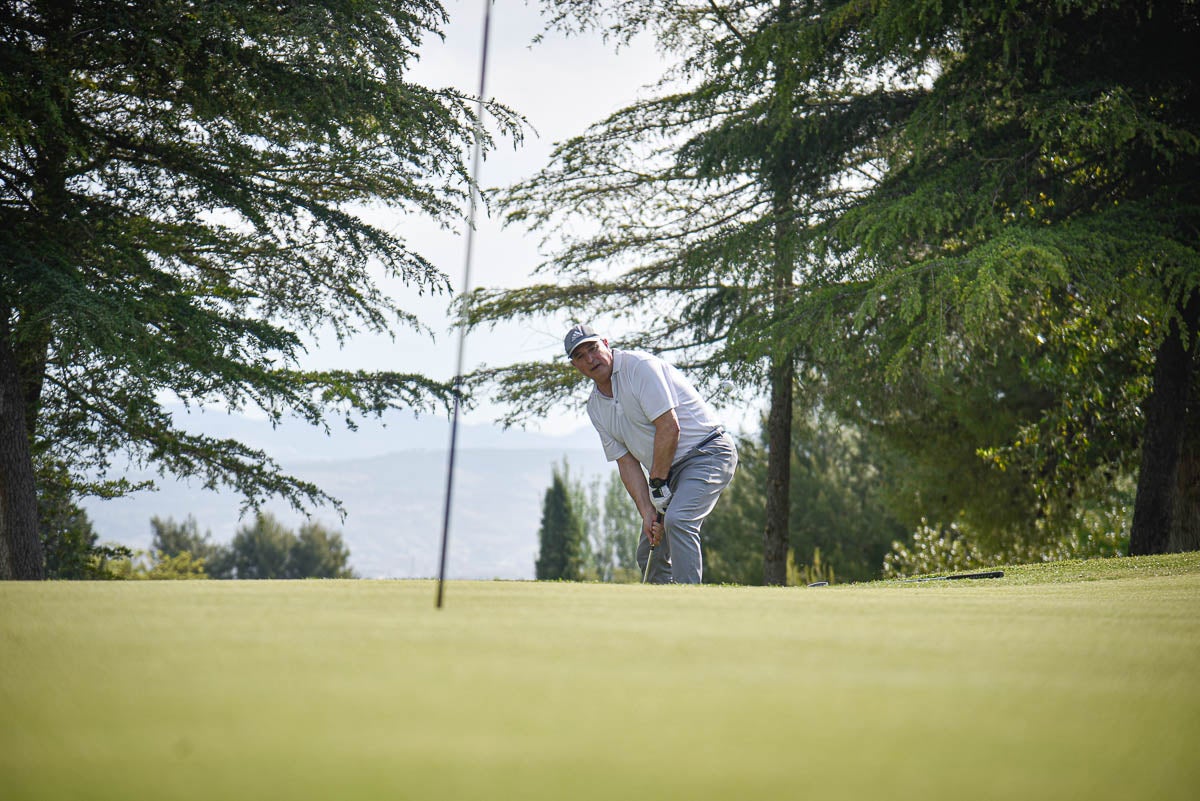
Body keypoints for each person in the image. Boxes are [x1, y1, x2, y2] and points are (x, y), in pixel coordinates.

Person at [564, 324, 738, 583]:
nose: (590, 359)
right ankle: (662, 616)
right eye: (580, 356)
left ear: (606, 344)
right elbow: (626, 462)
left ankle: (690, 606)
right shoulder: (596, 407)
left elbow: (669, 427)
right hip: (668, 472)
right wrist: (647, 511)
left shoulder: (639, 367)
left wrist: (657, 484)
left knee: (678, 521)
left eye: (593, 348)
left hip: (707, 453)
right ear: (575, 365)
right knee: (650, 550)